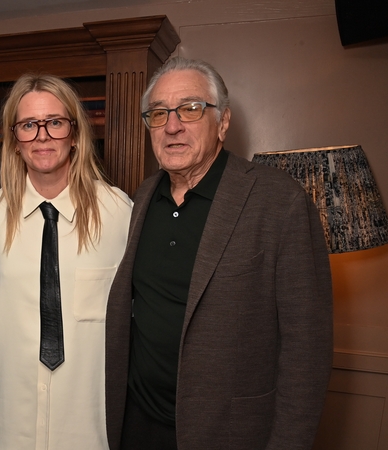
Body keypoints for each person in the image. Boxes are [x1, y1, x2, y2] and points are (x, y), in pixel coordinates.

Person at [104, 57, 333, 450]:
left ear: (223, 122)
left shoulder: (280, 203)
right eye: (159, 114)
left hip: (228, 433)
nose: (172, 125)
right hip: (137, 424)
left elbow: (306, 351)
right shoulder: (143, 197)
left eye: (191, 109)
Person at [0, 74, 132, 449]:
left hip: (88, 423)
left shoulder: (118, 213)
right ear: (15, 141)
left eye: (55, 122)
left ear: (76, 134)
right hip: (12, 420)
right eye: (29, 125)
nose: (42, 136)